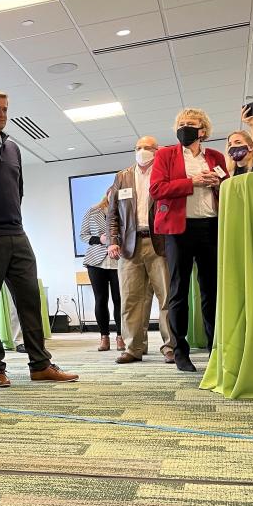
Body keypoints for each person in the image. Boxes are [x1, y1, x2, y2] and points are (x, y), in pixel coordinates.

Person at [0, 91, 78, 387]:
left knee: (29, 300)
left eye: (5, 109)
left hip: (17, 234)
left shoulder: (13, 148)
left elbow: (19, 189)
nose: (2, 114)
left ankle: (40, 364)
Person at [150, 108, 228, 373]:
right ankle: (180, 350)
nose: (185, 128)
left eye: (191, 124)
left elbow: (229, 188)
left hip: (211, 227)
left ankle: (215, 348)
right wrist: (191, 181)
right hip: (178, 230)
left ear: (202, 130)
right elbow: (157, 189)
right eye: (181, 124)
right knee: (178, 291)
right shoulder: (165, 155)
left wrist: (217, 183)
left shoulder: (216, 157)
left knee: (211, 290)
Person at [107, 136, 175, 365]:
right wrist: (113, 241)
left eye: (148, 147)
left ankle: (170, 347)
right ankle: (133, 348)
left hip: (161, 244)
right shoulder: (122, 176)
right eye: (138, 147)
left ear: (158, 151)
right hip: (129, 246)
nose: (143, 151)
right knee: (130, 300)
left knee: (166, 297)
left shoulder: (165, 174)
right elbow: (112, 213)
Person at [79, 193, 122, 353]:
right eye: (112, 194)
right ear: (107, 195)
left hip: (118, 259)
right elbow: (83, 235)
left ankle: (121, 337)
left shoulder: (124, 211)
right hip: (95, 261)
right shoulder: (93, 211)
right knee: (100, 299)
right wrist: (100, 240)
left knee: (120, 300)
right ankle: (104, 337)